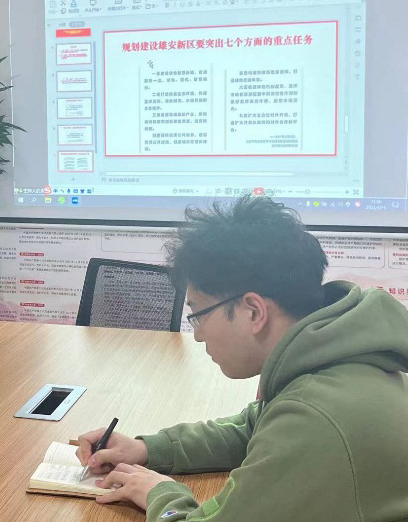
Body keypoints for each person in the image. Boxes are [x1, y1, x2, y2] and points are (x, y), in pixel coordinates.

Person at [76, 196, 408, 521]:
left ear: (254, 311)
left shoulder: (313, 416)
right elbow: (253, 427)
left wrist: (159, 493)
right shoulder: (333, 358)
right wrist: (148, 449)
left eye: (199, 315)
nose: (198, 335)